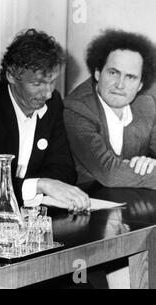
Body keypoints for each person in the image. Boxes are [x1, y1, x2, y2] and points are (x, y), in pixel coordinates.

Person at [0, 28, 90, 212]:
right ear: (11, 75)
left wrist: (37, 187)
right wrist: (38, 185)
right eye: (37, 84)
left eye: (52, 82)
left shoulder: (53, 103)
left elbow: (64, 170)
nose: (47, 93)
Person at [64, 29, 156, 189]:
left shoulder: (145, 105)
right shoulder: (77, 108)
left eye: (130, 77)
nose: (120, 85)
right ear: (98, 73)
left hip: (134, 202)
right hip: (86, 203)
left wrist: (148, 163)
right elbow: (110, 174)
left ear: (140, 85)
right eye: (113, 73)